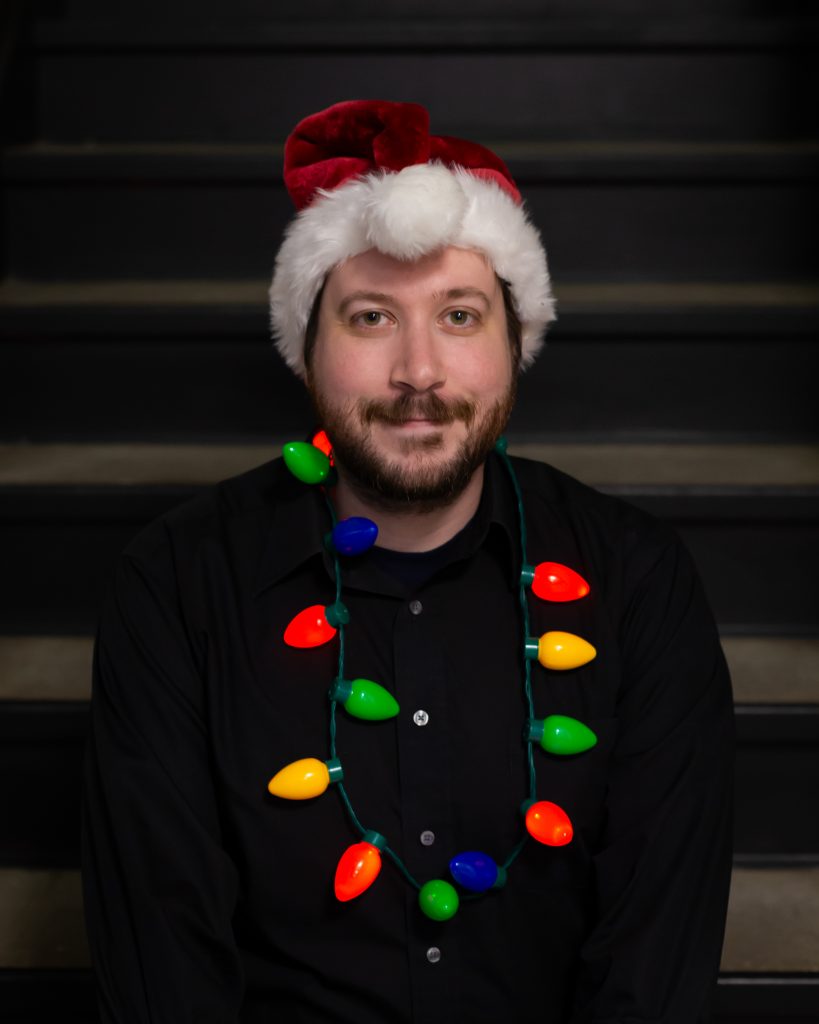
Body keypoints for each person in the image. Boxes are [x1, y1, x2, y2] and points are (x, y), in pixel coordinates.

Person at [82, 99, 734, 1023]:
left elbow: (655, 953)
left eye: (460, 316)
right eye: (371, 317)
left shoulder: (638, 579)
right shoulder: (177, 581)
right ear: (306, 350)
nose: (418, 371)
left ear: (515, 345)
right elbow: (161, 951)